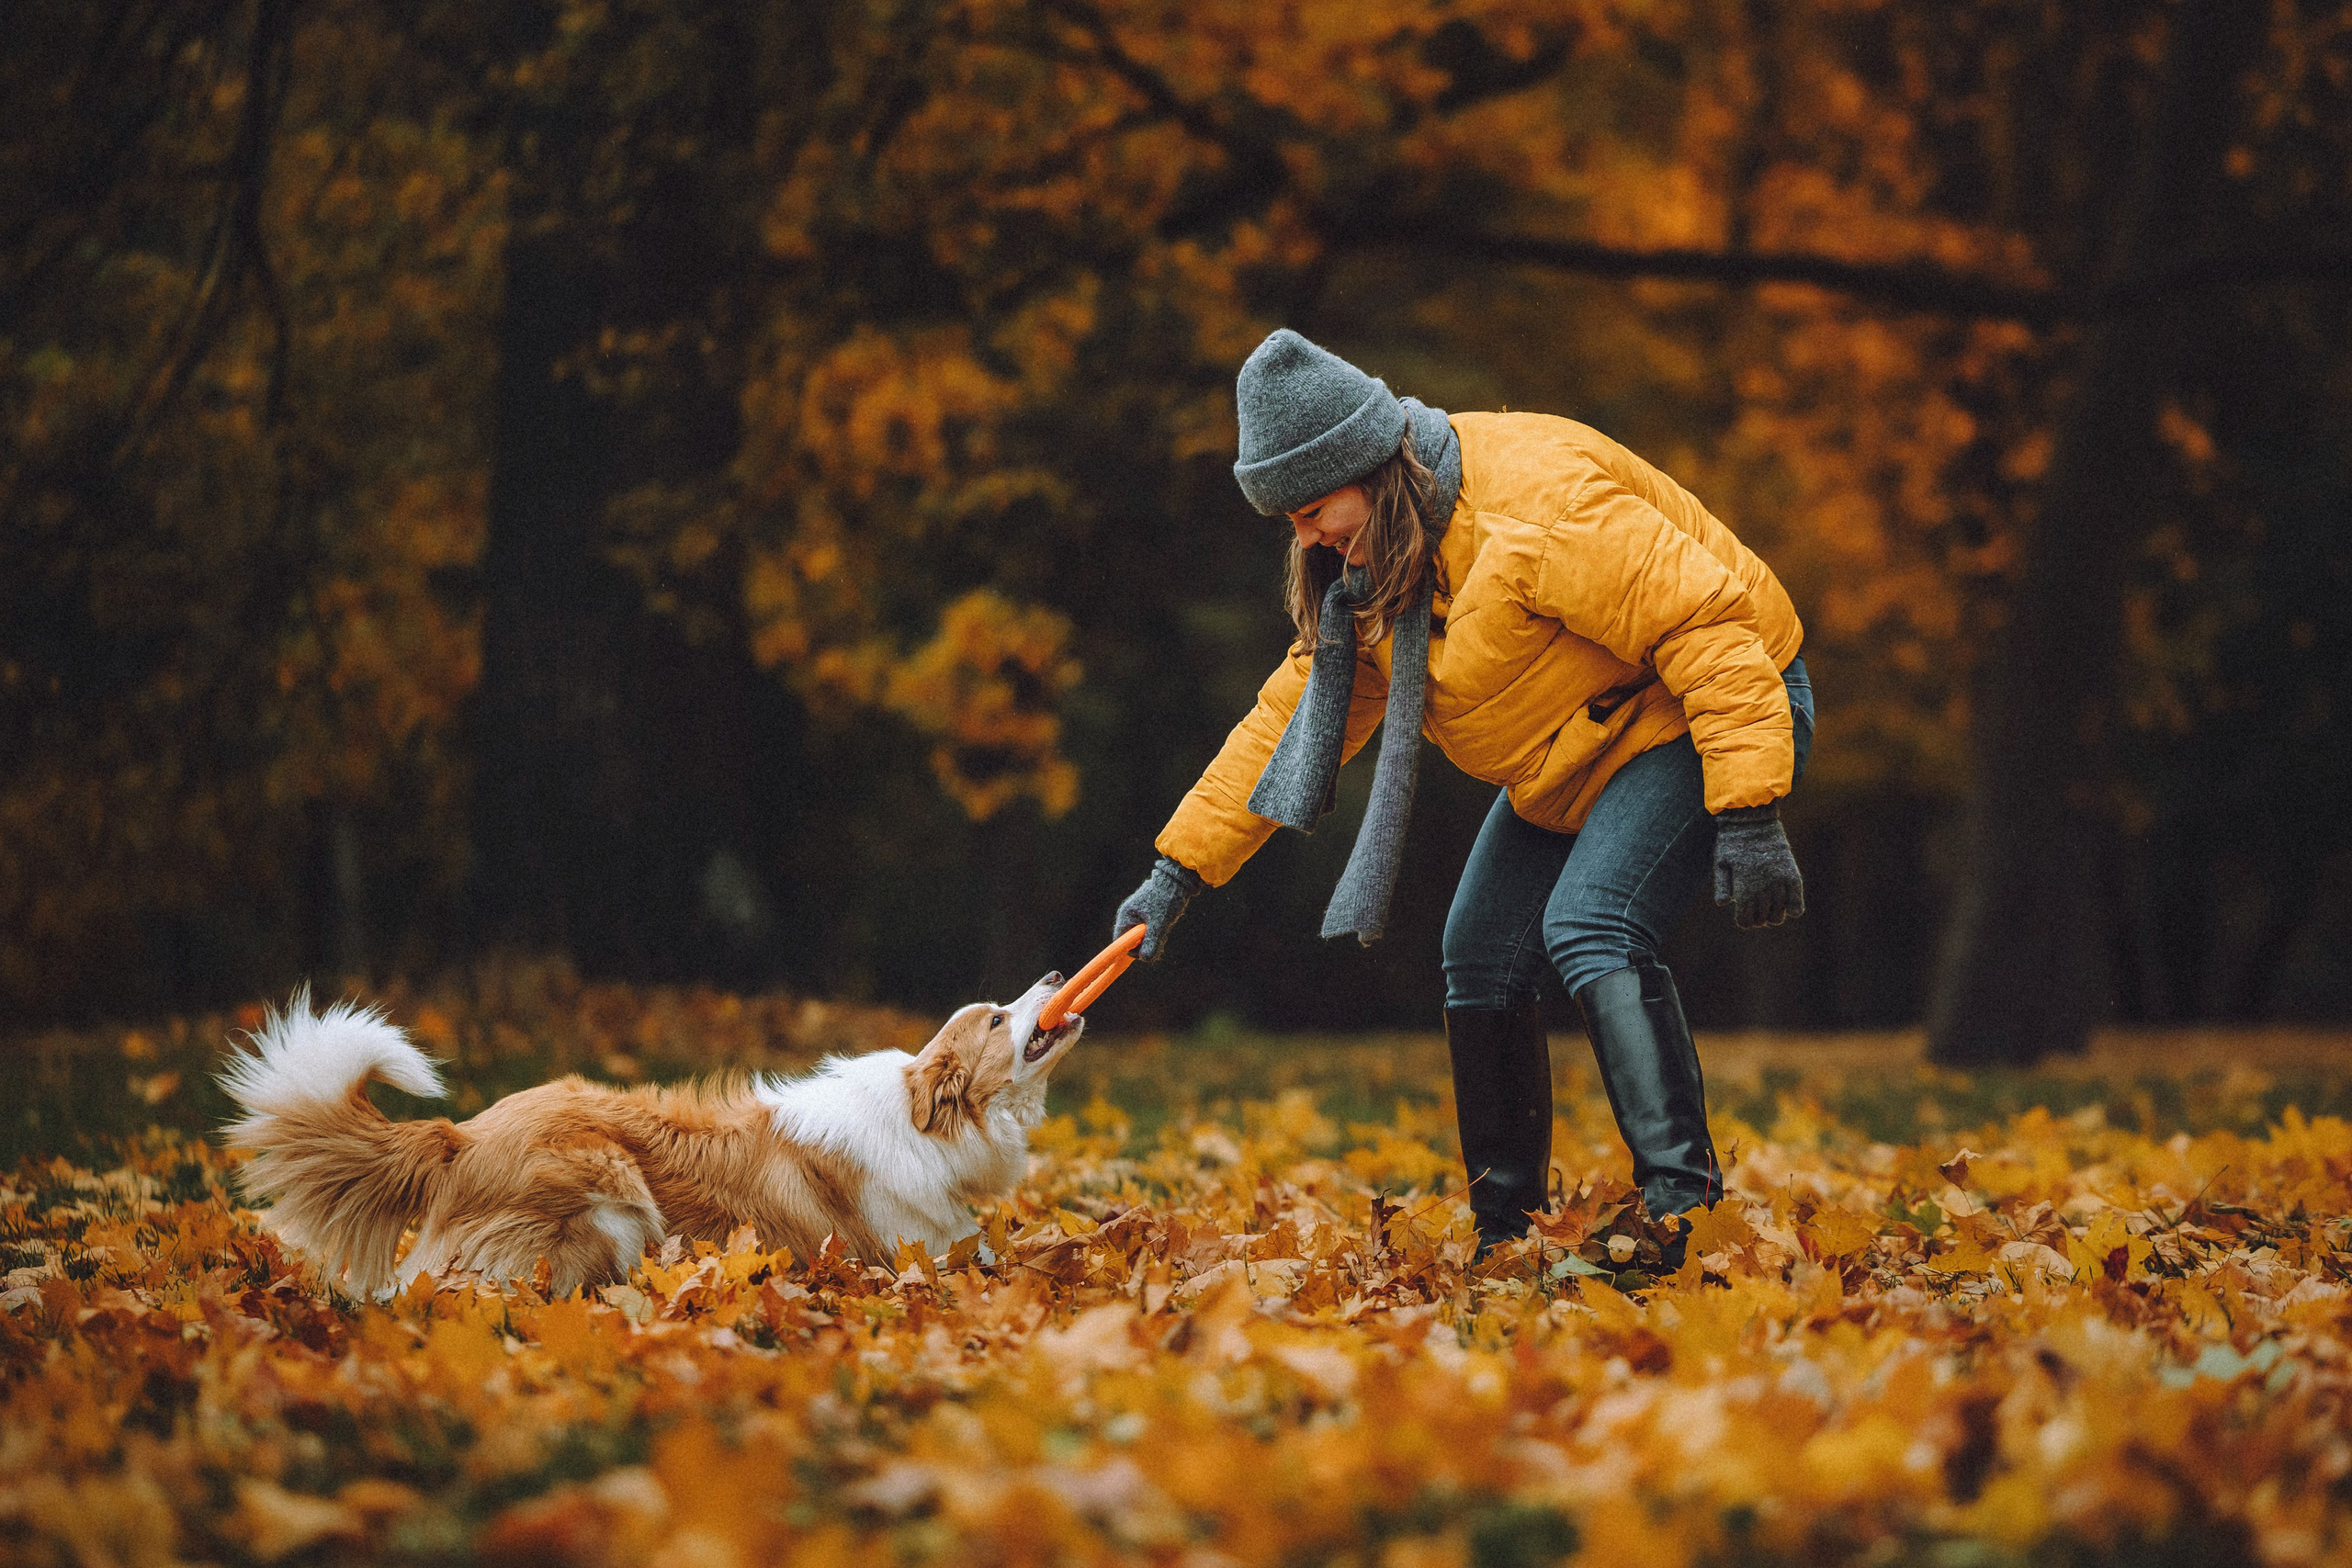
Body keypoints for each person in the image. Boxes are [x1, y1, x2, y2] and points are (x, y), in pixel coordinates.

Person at [1113, 329, 1813, 1257]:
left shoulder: (1537, 502)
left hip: (1705, 703)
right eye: (1289, 520)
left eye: (1315, 508)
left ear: (1367, 466)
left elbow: (1706, 627)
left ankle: (1687, 1219)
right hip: (1574, 752)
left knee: (1591, 923)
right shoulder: (1373, 577)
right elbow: (1284, 727)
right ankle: (1508, 1232)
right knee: (1478, 951)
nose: (1307, 536)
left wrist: (1749, 808)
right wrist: (1175, 877)